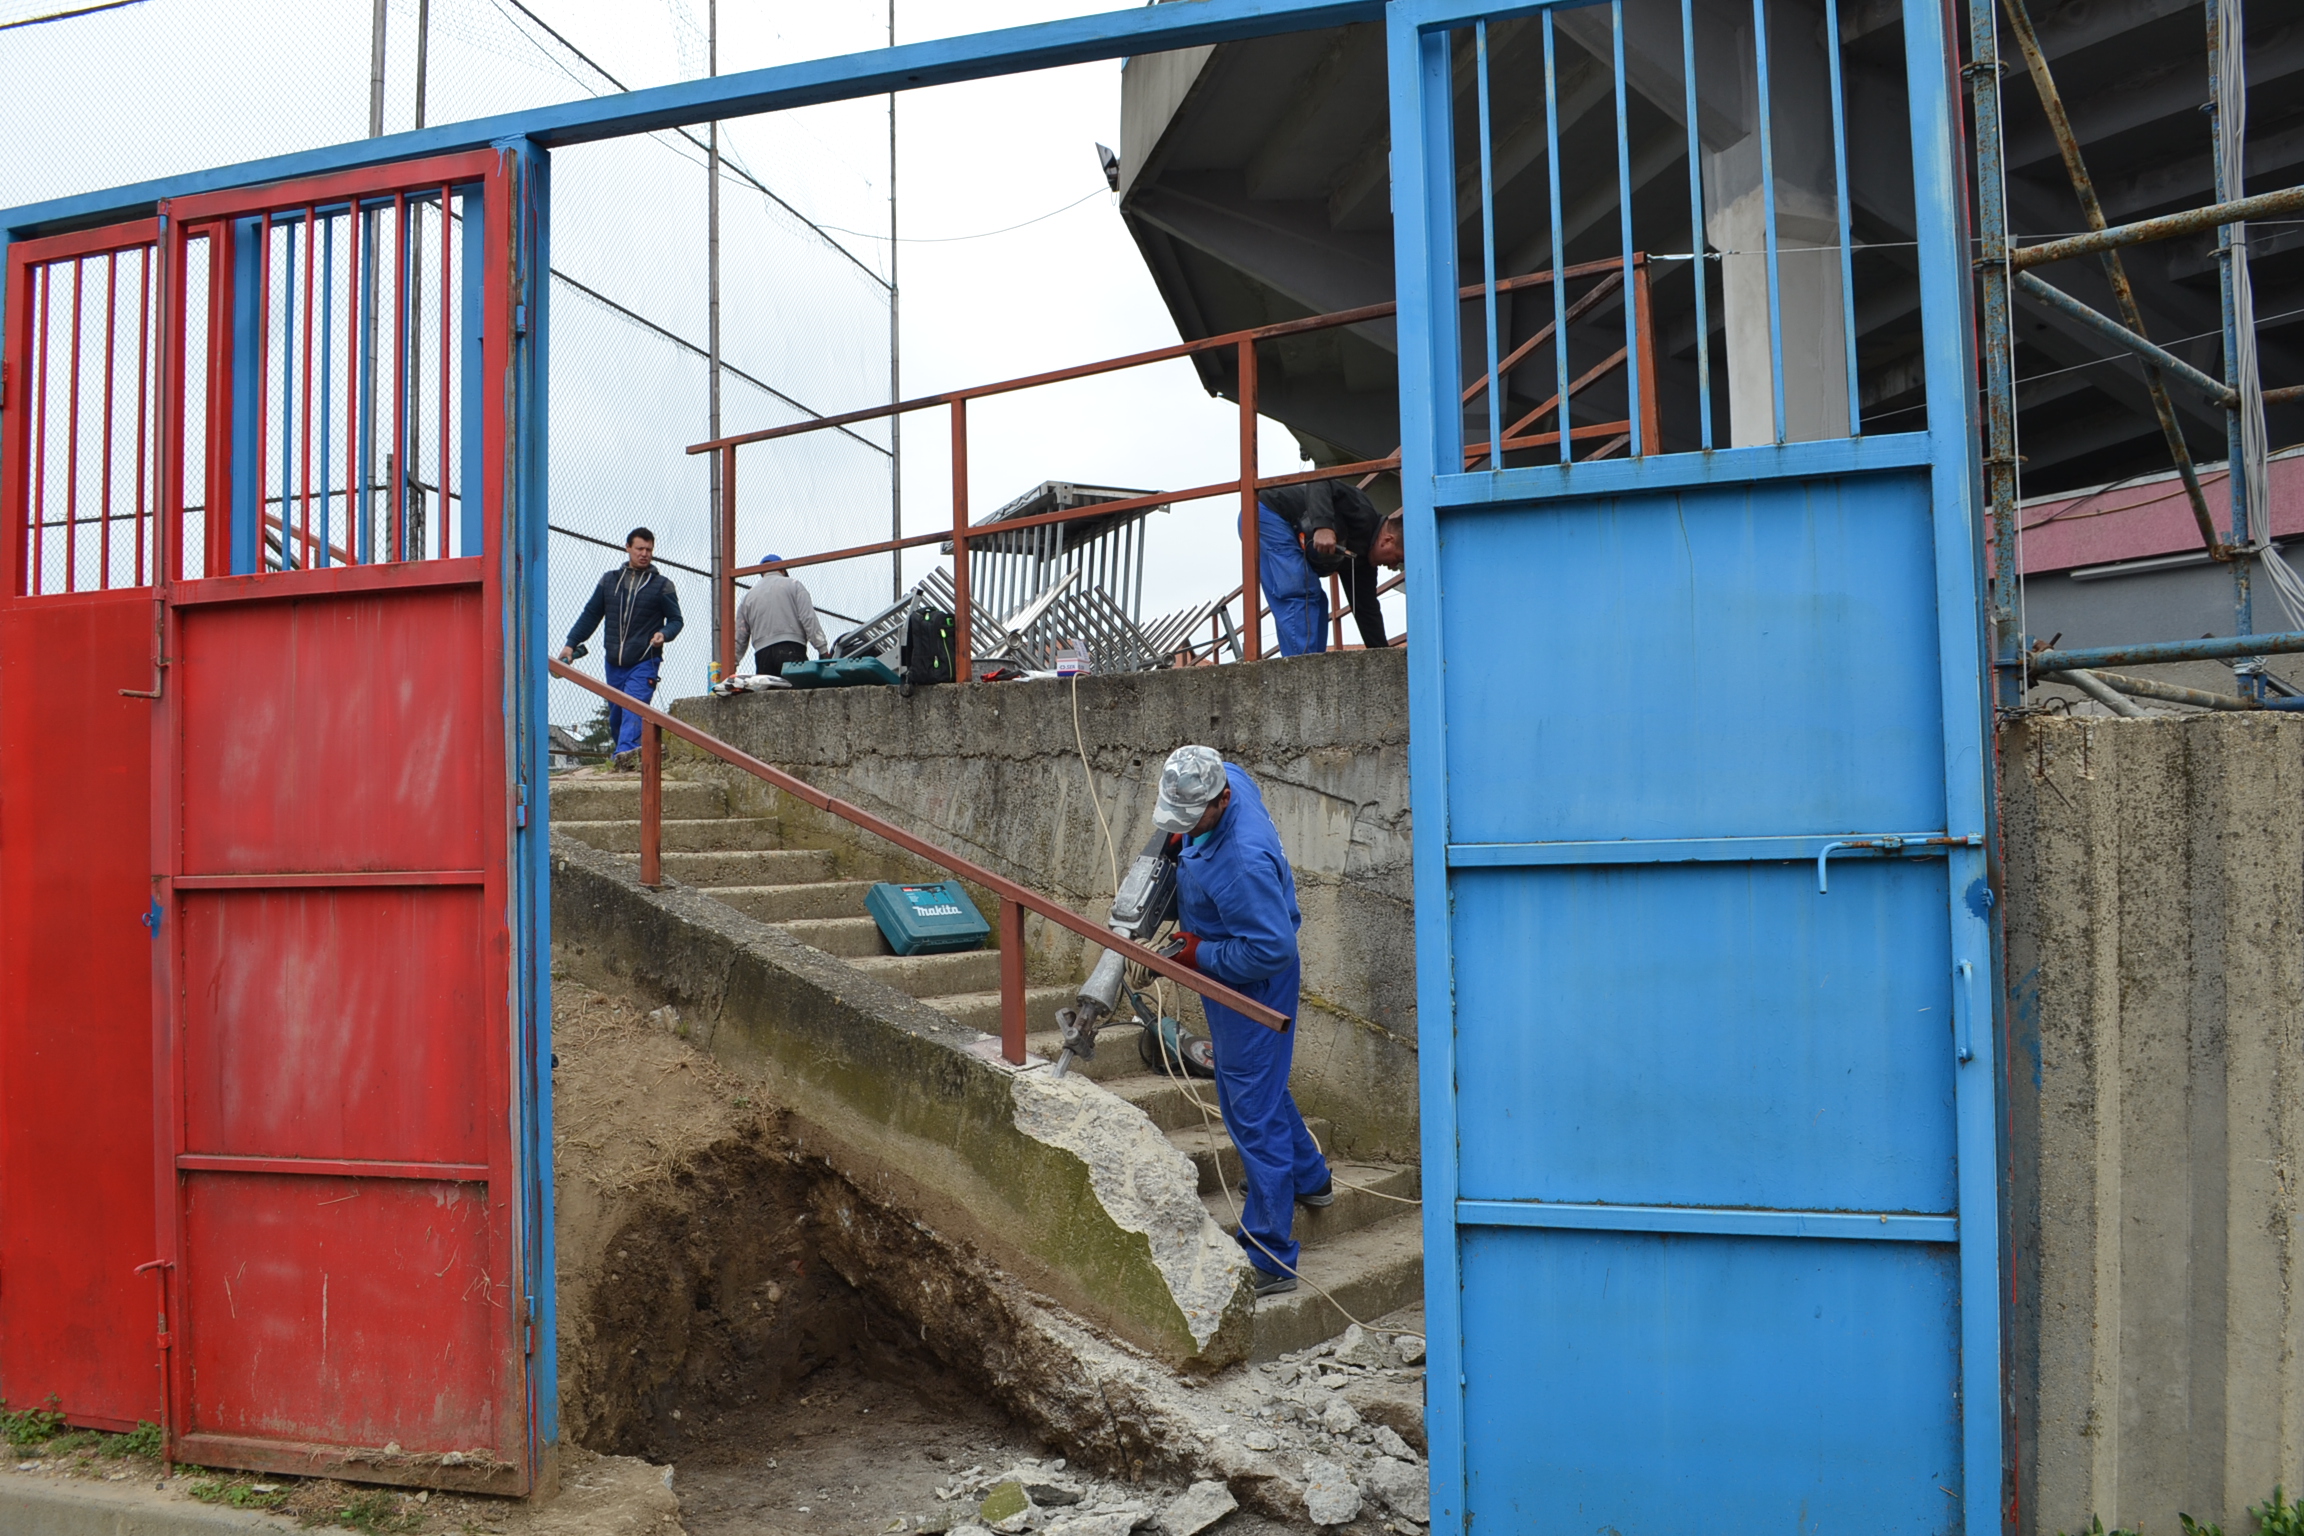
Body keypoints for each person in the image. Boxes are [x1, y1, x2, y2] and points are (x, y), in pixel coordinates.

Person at [1154, 744, 1330, 1296]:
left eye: (1192, 819)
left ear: (1221, 801)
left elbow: (1271, 950)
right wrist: (1181, 838)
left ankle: (1271, 1254)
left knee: (1250, 1108)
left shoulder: (1242, 865)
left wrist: (1198, 954)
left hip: (1254, 981)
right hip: (1236, 956)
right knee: (1260, 1084)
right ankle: (1311, 1177)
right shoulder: (1222, 773)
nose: (1183, 826)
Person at [560, 527, 683, 769]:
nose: (644, 554)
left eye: (649, 550)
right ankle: (627, 759)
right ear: (627, 548)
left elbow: (676, 620)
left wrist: (664, 634)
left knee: (634, 709)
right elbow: (591, 614)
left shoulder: (662, 585)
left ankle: (623, 757)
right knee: (616, 717)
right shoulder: (609, 581)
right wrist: (570, 644)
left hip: (645, 660)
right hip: (614, 662)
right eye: (639, 549)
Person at [1253, 480, 1406, 657]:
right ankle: (1302, 666)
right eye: (1398, 559)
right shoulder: (1361, 510)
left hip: (1277, 524)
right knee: (1302, 590)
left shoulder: (1363, 564)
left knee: (1318, 601)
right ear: (1388, 540)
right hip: (1267, 513)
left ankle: (1313, 661)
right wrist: (1323, 525)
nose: (1393, 566)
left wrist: (1382, 656)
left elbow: (1366, 611)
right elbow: (1320, 481)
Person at [731, 554, 828, 678]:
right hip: (791, 647)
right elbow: (808, 618)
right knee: (797, 687)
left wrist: (733, 662)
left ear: (762, 572)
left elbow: (740, 634)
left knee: (769, 689)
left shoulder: (749, 596)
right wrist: (822, 650)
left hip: (762, 653)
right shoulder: (794, 585)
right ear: (782, 569)